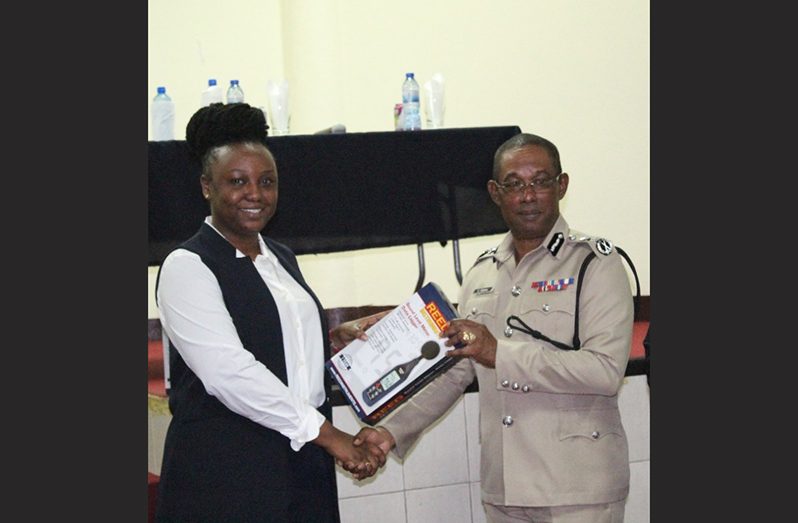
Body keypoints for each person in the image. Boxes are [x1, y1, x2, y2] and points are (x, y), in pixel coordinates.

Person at [355, 132, 634, 523]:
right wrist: (389, 432)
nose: (528, 195)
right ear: (495, 192)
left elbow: (604, 371)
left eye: (540, 181)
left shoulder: (594, 264)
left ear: (562, 185)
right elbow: (455, 371)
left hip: (576, 489)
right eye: (514, 184)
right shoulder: (482, 272)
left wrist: (498, 352)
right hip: (505, 488)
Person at [154, 102, 385, 522]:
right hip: (226, 474)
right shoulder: (187, 265)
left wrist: (332, 341)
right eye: (237, 181)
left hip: (299, 465)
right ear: (207, 187)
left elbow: (280, 348)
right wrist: (329, 436)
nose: (255, 194)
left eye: (267, 181)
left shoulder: (280, 258)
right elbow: (230, 372)